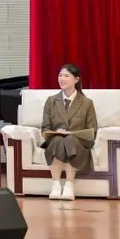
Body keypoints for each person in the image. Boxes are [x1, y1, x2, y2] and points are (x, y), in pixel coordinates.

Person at [42, 63, 98, 201]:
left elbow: (92, 130)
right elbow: (45, 128)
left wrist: (72, 134)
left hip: (78, 142)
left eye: (66, 76)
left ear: (76, 79)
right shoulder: (51, 101)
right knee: (58, 139)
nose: (62, 79)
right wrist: (56, 132)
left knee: (69, 139)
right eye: (60, 75)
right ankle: (56, 184)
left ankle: (69, 184)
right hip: (55, 140)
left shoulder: (86, 103)